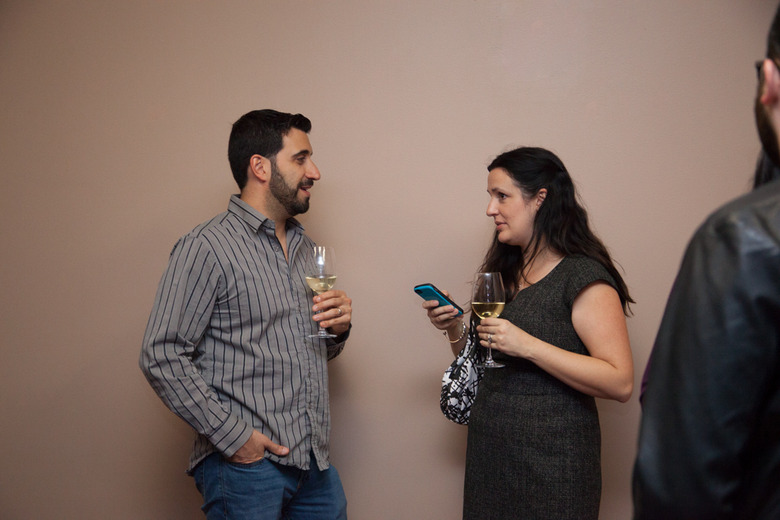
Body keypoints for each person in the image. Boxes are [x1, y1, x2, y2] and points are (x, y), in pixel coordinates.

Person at [139, 109, 352, 519]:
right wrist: (236, 438)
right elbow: (161, 354)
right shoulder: (207, 246)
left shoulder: (307, 249)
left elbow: (306, 351)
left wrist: (337, 331)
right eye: (301, 158)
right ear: (260, 167)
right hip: (247, 470)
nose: (315, 172)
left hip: (313, 465)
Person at [423, 147, 634, 520]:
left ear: (540, 199)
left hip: (553, 469)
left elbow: (620, 382)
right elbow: (483, 364)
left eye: (501, 196)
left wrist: (528, 346)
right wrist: (455, 328)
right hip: (491, 459)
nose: (490, 209)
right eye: (490, 196)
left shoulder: (582, 277)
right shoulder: (503, 271)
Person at [632, 7, 780, 519]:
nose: (491, 208)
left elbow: (682, 481)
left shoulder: (744, 238)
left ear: (769, 80)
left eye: (501, 194)